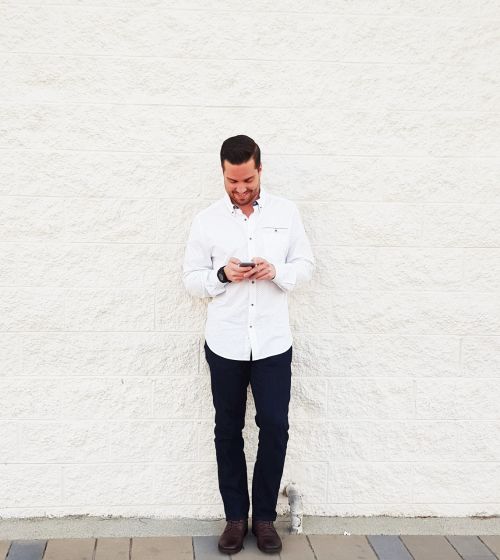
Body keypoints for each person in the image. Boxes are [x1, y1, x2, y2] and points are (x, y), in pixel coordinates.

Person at [182, 134, 315, 555]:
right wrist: (221, 276)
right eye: (232, 181)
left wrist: (276, 270)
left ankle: (264, 520)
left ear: (261, 169)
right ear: (222, 173)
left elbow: (306, 265)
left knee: (274, 427)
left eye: (247, 180)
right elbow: (190, 279)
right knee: (227, 431)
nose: (240, 190)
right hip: (226, 343)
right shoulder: (206, 221)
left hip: (273, 342)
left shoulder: (286, 213)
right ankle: (235, 520)